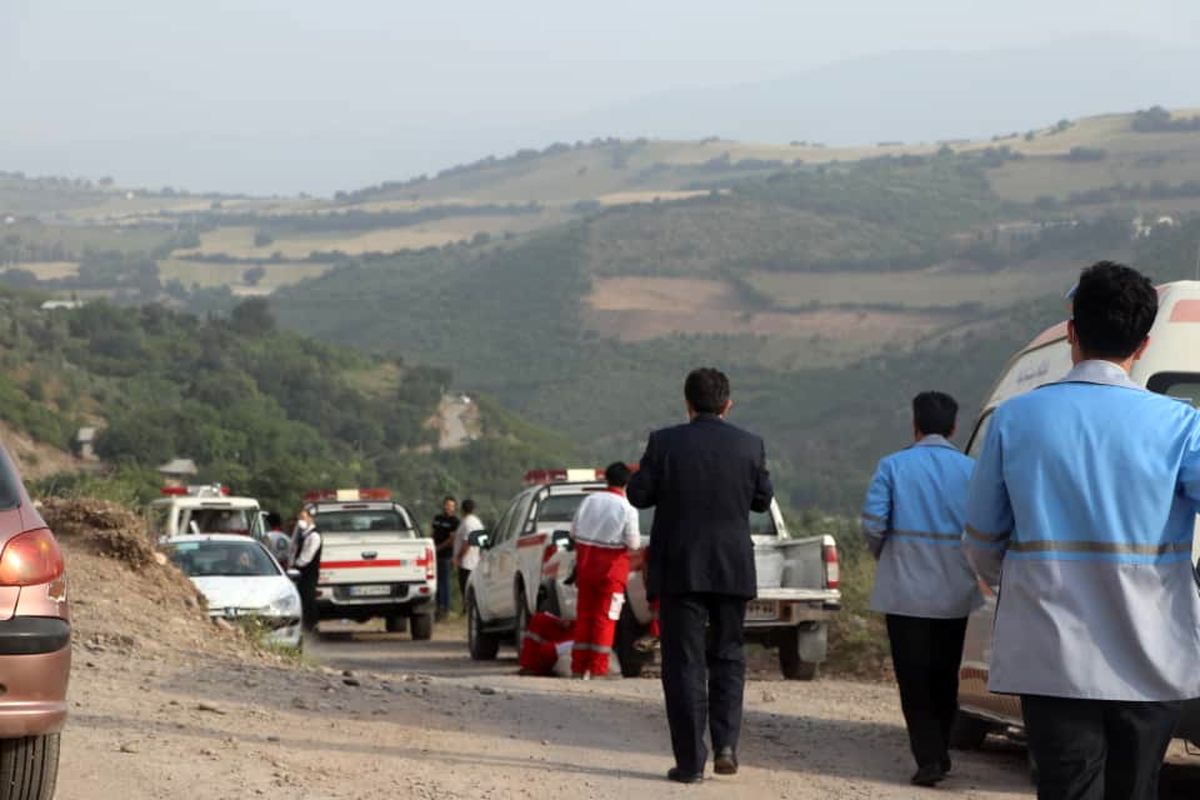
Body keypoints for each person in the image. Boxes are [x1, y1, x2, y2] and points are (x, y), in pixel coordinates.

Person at [964, 261, 1200, 800]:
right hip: (1151, 655)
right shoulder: (1182, 425)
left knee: (1066, 789)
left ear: (1072, 330)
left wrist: (1021, 580)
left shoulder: (1014, 420)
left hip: (1052, 657)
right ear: (1142, 344)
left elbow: (980, 542)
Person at [627, 367, 773, 784]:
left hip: (680, 567)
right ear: (727, 404)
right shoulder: (750, 445)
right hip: (731, 567)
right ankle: (726, 745)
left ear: (687, 403)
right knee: (728, 655)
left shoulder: (665, 442)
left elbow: (639, 495)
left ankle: (690, 763)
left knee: (683, 662)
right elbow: (762, 500)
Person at [861, 391, 980, 787]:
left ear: (914, 425)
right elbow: (985, 529)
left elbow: (874, 524)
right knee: (945, 675)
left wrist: (889, 557)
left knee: (913, 678)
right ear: (953, 427)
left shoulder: (892, 466)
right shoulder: (970, 471)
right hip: (954, 594)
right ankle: (939, 748)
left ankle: (929, 756)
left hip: (905, 593)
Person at [569, 461, 641, 679]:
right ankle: (599, 668)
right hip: (612, 571)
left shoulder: (589, 501)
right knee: (605, 618)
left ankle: (579, 667)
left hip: (586, 566)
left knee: (584, 617)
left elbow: (574, 532)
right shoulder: (627, 508)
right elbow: (634, 543)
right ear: (627, 482)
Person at [291, 508, 322, 632]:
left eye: (303, 518)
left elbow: (306, 558)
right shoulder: (303, 534)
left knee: (308, 599)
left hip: (308, 572)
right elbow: (293, 547)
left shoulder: (314, 535)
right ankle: (306, 625)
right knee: (303, 598)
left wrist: (295, 566)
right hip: (302, 572)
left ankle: (312, 626)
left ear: (310, 518)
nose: (301, 521)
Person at [430, 496, 460, 620]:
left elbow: (452, 540)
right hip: (435, 555)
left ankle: (445, 609)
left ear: (454, 508)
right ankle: (437, 608)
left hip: (446, 555)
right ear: (443, 505)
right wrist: (431, 546)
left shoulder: (455, 521)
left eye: (451, 505)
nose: (448, 507)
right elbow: (433, 532)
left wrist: (439, 547)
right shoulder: (437, 518)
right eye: (447, 505)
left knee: (445, 583)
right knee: (436, 583)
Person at [452, 499, 483, 604]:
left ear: (462, 509)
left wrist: (459, 557)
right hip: (476, 560)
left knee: (465, 587)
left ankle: (467, 608)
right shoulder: (477, 522)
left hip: (467, 562)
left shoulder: (467, 523)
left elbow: (467, 542)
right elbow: (482, 541)